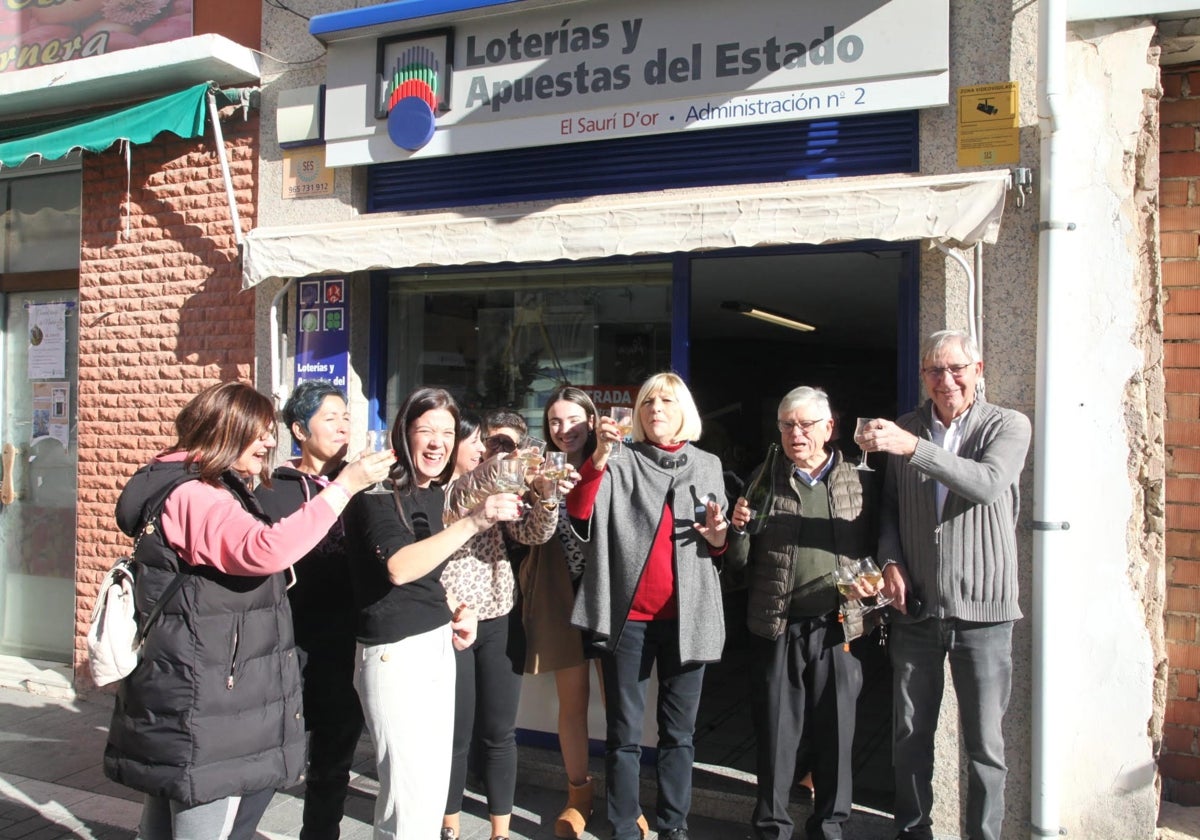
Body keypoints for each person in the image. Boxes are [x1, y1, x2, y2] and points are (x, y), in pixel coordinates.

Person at [104, 381, 395, 840]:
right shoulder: (196, 494)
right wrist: (345, 487)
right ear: (226, 431)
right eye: (258, 432)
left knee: (166, 819)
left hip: (193, 683)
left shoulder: (194, 484)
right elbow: (266, 549)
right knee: (207, 821)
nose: (267, 442)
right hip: (206, 694)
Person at [858, 330, 1031, 840]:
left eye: (956, 369)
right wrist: (890, 560)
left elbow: (985, 483)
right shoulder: (907, 426)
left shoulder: (1008, 424)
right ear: (924, 377)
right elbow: (888, 506)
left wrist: (916, 448)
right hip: (917, 612)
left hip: (984, 614)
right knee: (910, 737)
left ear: (979, 370)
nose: (946, 379)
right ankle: (913, 832)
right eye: (934, 370)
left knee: (984, 747)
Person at [343, 387, 521, 840]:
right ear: (404, 432)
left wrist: (454, 608)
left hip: (438, 643)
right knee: (409, 798)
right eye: (426, 430)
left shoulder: (433, 494)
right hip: (393, 654)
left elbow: (427, 575)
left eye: (447, 431)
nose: (438, 442)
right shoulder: (379, 492)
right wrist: (475, 521)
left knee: (431, 787)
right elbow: (400, 568)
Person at [567, 373, 729, 840]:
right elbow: (579, 512)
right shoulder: (618, 459)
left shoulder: (708, 464)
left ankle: (673, 826)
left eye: (666, 401)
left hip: (689, 619)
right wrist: (597, 457)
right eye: (647, 402)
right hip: (629, 620)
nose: (655, 408)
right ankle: (622, 826)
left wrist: (718, 535)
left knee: (679, 736)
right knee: (624, 735)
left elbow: (717, 547)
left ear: (685, 411)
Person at [727, 386, 878, 840]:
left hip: (840, 627)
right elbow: (737, 565)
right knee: (776, 736)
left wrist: (878, 581)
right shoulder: (763, 479)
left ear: (829, 429)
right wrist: (735, 532)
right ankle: (772, 828)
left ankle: (830, 827)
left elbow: (881, 545)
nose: (797, 433)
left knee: (836, 735)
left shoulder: (861, 479)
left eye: (806, 425)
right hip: (779, 625)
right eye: (788, 425)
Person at [520, 385, 650, 839]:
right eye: (555, 421)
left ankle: (624, 799)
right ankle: (578, 793)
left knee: (619, 704)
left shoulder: (617, 459)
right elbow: (529, 535)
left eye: (573, 420)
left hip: (610, 595)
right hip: (560, 595)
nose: (564, 430)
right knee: (572, 702)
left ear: (592, 420)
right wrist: (539, 493)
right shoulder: (539, 471)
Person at [439, 416, 561, 840]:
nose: (480, 449)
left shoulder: (495, 485)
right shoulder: (441, 488)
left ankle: (500, 831)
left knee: (499, 733)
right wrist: (505, 466)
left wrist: (546, 495)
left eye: (482, 442)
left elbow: (532, 533)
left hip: (499, 614)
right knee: (455, 733)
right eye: (474, 440)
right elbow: (462, 497)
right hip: (449, 620)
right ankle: (450, 825)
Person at [254, 381, 362, 840]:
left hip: (345, 637)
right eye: (330, 418)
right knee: (272, 751)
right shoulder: (273, 489)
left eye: (345, 417)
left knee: (337, 747)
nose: (342, 427)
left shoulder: (362, 480)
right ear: (300, 429)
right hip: (290, 636)